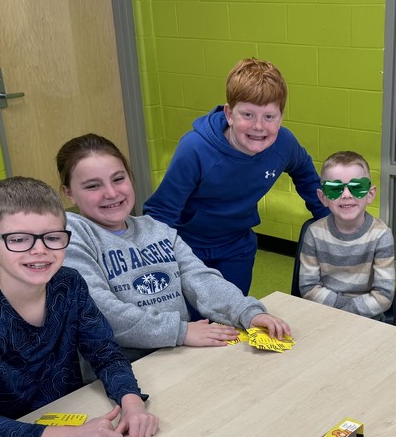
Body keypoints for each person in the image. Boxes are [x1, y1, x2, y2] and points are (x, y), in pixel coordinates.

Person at [0, 176, 159, 437]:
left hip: (77, 418)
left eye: (53, 237)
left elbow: (106, 355)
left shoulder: (69, 284)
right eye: (19, 239)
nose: (40, 250)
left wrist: (133, 406)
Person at [57, 133, 290, 359]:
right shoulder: (70, 238)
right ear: (69, 193)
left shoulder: (157, 229)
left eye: (118, 179)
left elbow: (199, 278)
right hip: (121, 369)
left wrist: (247, 312)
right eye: (93, 186)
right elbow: (100, 310)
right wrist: (181, 331)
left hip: (177, 354)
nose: (111, 193)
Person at [143, 57, 329, 294]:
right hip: (189, 247)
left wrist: (330, 223)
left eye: (269, 116)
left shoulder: (284, 144)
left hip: (237, 247)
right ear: (230, 114)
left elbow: (306, 176)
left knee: (232, 310)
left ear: (281, 117)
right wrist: (156, 264)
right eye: (248, 115)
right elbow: (160, 211)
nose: (258, 126)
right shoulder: (194, 149)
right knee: (195, 314)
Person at [297, 151, 395, 320]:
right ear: (323, 197)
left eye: (357, 187)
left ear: (370, 194)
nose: (346, 195)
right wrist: (339, 309)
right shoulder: (314, 233)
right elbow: (308, 287)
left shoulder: (382, 235)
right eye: (334, 189)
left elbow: (384, 296)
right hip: (323, 313)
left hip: (368, 318)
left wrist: (348, 311)